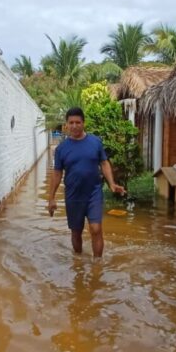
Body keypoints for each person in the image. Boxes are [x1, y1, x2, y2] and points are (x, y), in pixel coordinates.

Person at [47, 107, 125, 257]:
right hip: (73, 195)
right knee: (76, 232)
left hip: (93, 193)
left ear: (84, 123)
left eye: (78, 122)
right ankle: (78, 261)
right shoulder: (61, 149)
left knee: (96, 229)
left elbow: (104, 163)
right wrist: (51, 198)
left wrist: (112, 183)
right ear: (66, 125)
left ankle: (98, 264)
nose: (74, 126)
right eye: (71, 123)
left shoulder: (95, 142)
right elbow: (57, 174)